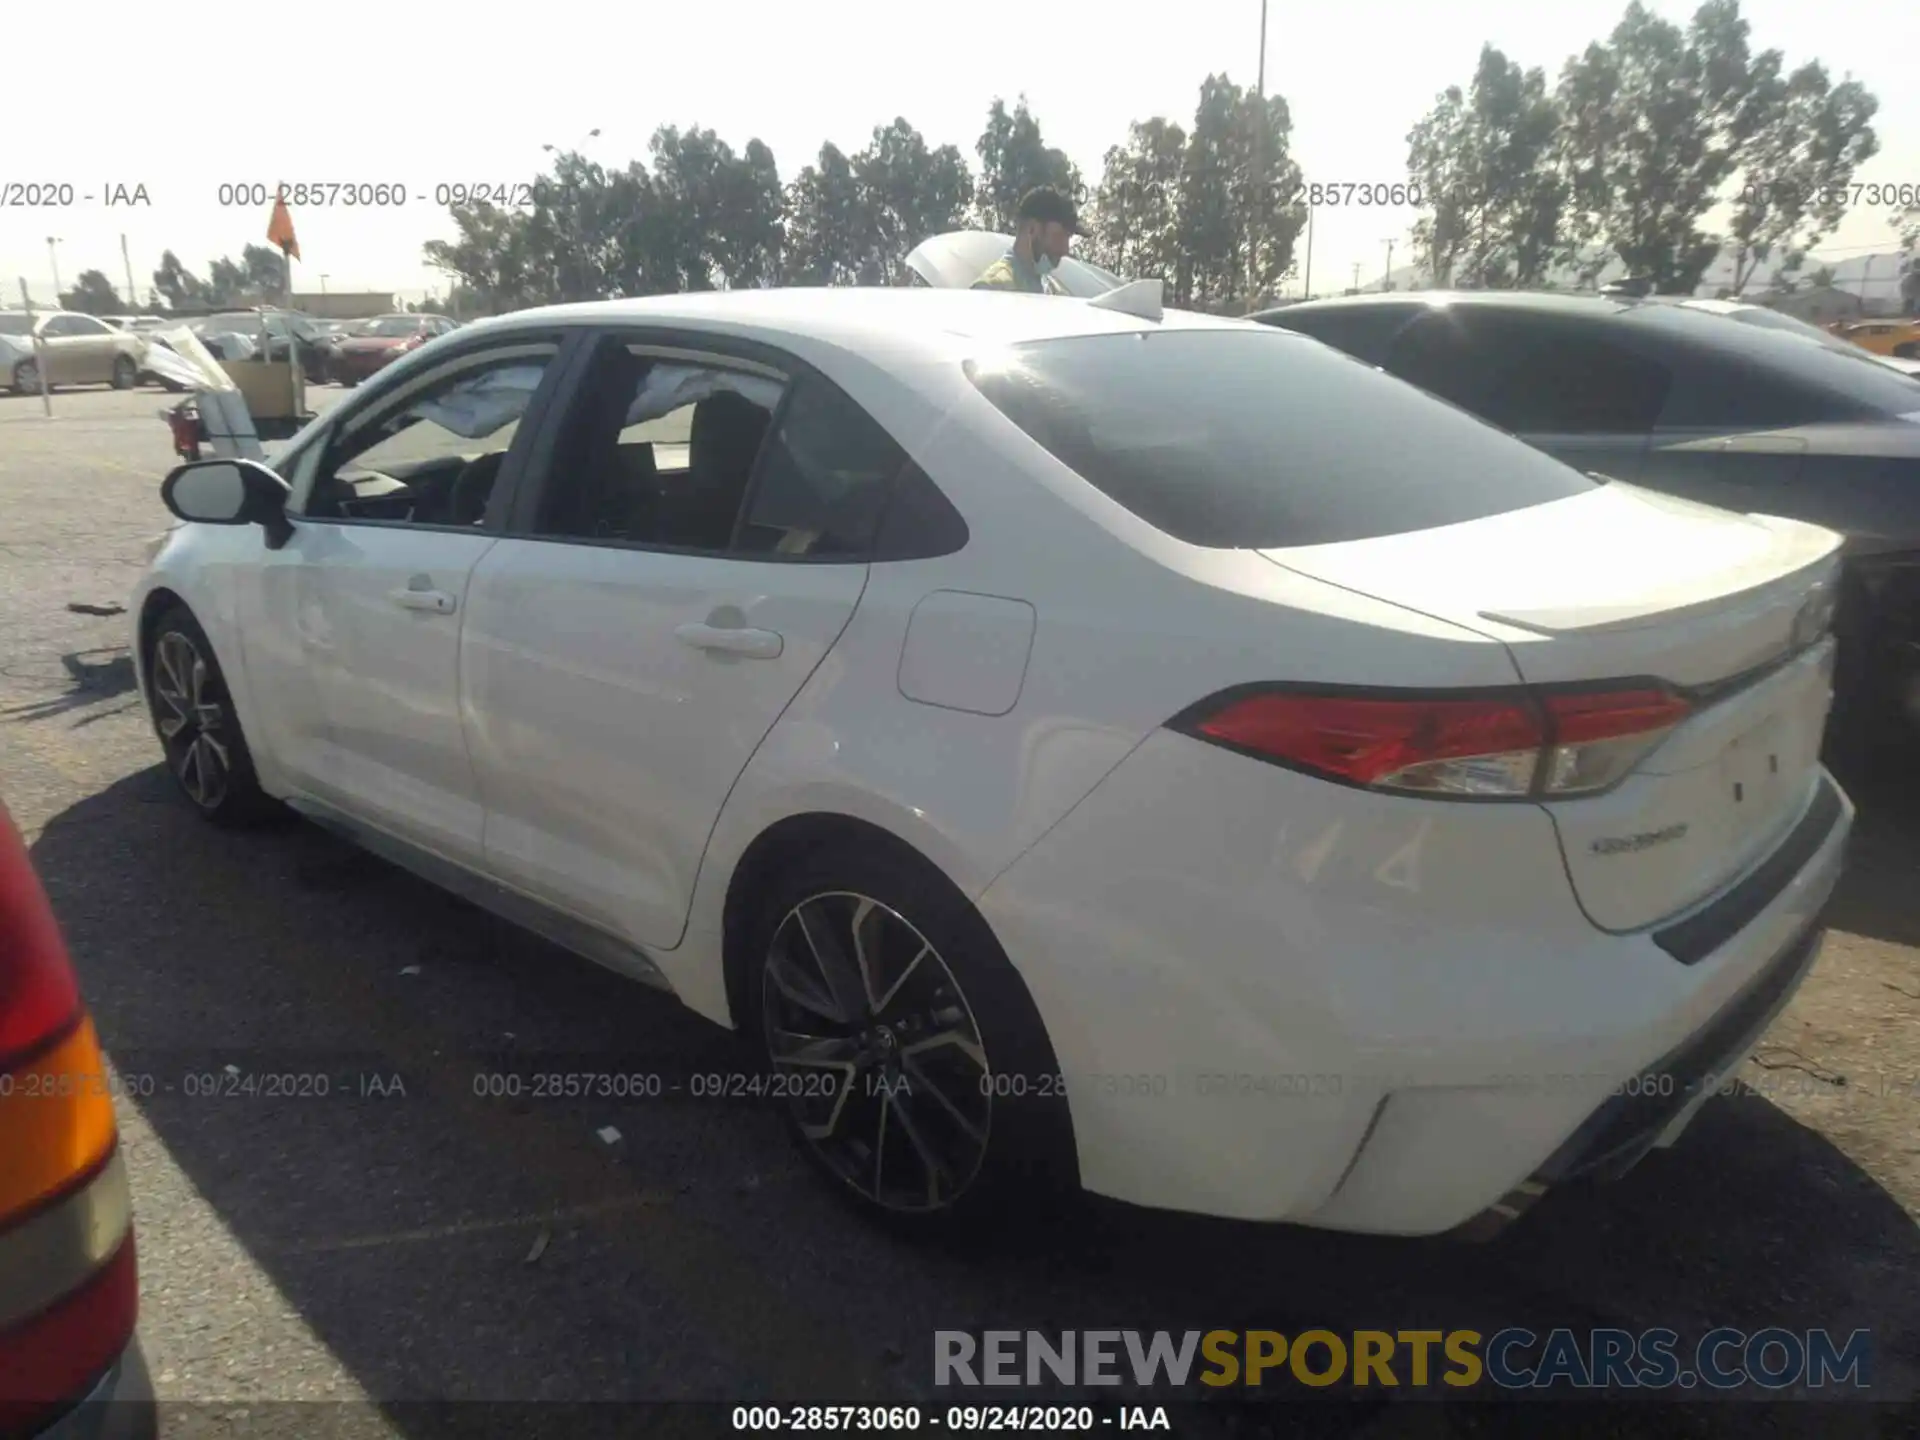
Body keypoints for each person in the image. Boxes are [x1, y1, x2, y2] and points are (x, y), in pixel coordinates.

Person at [972, 187, 1078, 295]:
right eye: (1059, 236)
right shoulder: (992, 289)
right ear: (1032, 229)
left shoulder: (1053, 291)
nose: (1065, 249)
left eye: (1068, 238)